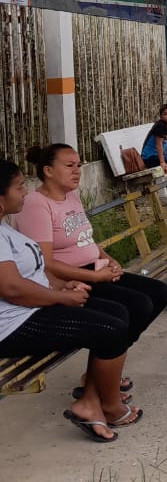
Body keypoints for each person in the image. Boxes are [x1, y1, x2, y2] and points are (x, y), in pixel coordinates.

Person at [17, 143, 167, 422]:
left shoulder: (71, 197)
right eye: (69, 166)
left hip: (95, 269)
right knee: (135, 306)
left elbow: (86, 239)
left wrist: (109, 259)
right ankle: (102, 378)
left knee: (159, 292)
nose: (77, 171)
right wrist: (95, 277)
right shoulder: (36, 204)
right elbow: (45, 262)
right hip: (70, 278)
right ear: (48, 170)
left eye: (78, 165)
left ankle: (101, 371)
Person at [0, 158, 137, 443]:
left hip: (32, 307)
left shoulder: (6, 228)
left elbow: (33, 272)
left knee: (119, 313)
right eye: (19, 187)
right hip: (12, 325)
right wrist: (60, 297)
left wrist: (62, 285)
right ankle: (110, 406)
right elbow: (11, 288)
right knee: (110, 329)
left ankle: (90, 400)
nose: (25, 191)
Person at [141, 103, 167, 171]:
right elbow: (158, 145)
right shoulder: (160, 125)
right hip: (149, 157)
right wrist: (162, 162)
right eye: (166, 114)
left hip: (158, 156)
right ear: (161, 116)